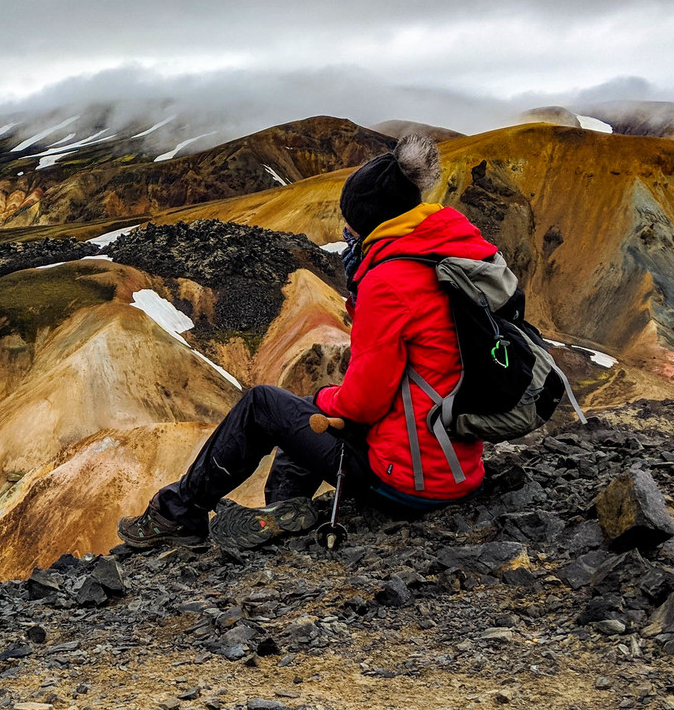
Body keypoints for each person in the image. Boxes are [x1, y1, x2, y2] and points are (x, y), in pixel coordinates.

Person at [117, 136, 497, 549]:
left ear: (370, 221)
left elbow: (364, 402)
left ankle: (178, 513)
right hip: (456, 468)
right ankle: (284, 509)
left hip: (408, 480)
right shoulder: (450, 256)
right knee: (306, 410)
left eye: (350, 225)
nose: (345, 234)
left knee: (266, 404)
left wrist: (325, 400)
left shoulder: (389, 283)